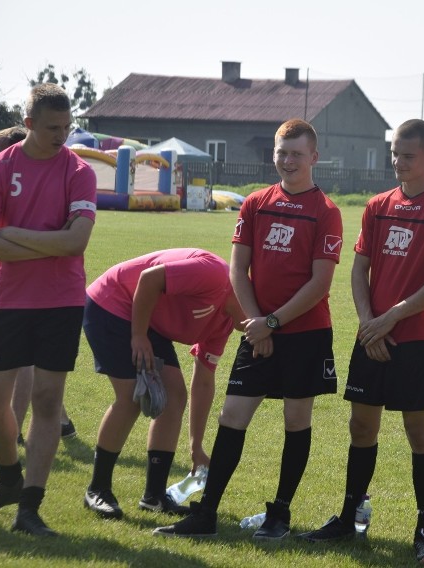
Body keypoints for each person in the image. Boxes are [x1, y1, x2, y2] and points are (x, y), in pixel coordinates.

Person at [154, 118, 343, 539]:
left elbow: (320, 284)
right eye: (282, 152)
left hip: (305, 334)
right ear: (273, 154)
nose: (288, 160)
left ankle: (279, 514)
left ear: (313, 157)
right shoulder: (256, 203)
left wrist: (271, 323)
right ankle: (206, 514)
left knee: (296, 420)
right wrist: (257, 323)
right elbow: (238, 268)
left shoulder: (326, 212)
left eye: (297, 153)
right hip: (259, 329)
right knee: (232, 415)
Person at [299, 119, 424, 561]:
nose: (398, 162)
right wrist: (369, 321)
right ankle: (350, 516)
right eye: (394, 153)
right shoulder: (377, 205)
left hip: (416, 337)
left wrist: (392, 317)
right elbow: (358, 269)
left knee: (418, 430)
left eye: (407, 155)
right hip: (372, 334)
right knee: (360, 427)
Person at [0, 83, 97, 536]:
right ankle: (8, 478)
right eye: (51, 128)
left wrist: (11, 234)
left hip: (61, 300)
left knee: (47, 399)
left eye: (67, 127)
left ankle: (30, 505)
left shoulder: (79, 172)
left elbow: (76, 242)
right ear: (28, 124)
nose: (61, 136)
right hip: (9, 299)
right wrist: (49, 243)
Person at [82, 248, 247, 519]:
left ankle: (154, 497)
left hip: (147, 321)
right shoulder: (214, 274)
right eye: (257, 314)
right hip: (112, 303)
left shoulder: (225, 323)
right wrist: (137, 336)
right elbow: (148, 279)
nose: (256, 325)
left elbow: (204, 382)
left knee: (174, 396)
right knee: (130, 399)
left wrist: (196, 446)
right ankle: (97, 489)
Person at [0, 126, 78, 445]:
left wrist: (8, 237)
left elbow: (69, 239)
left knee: (25, 360)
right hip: (16, 288)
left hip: (40, 291)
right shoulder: (8, 186)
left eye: (2, 154)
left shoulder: (45, 186)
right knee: (36, 368)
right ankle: (63, 422)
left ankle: (12, 431)